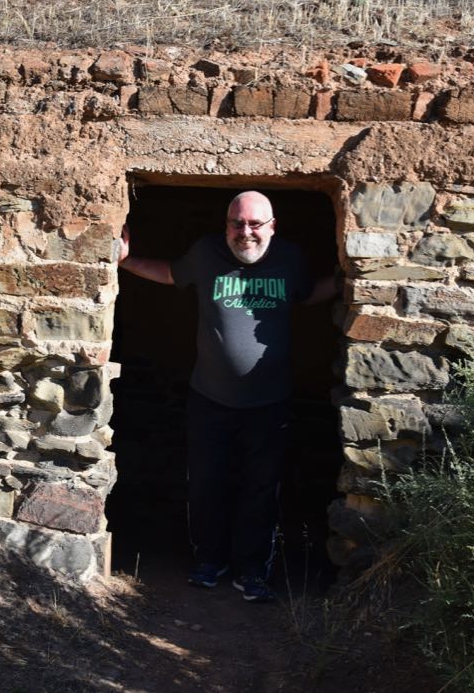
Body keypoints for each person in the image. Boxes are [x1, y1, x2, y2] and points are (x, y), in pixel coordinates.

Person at [117, 191, 336, 602]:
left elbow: (309, 294)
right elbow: (170, 274)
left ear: (272, 226)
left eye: (255, 224)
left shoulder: (290, 259)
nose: (245, 232)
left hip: (270, 402)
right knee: (206, 483)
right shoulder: (206, 253)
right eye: (237, 223)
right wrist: (125, 261)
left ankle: (251, 571)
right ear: (226, 225)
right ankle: (208, 561)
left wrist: (354, 277)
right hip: (210, 398)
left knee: (260, 488)